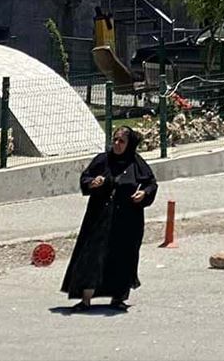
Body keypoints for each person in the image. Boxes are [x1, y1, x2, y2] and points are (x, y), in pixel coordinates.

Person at [61, 126, 158, 311]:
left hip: (127, 219)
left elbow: (151, 184)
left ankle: (118, 298)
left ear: (129, 144)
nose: (117, 144)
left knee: (122, 256)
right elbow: (86, 178)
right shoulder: (103, 160)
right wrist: (92, 183)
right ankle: (86, 299)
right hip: (99, 217)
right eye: (115, 140)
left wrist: (144, 194)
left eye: (121, 141)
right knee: (92, 256)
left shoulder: (136, 162)